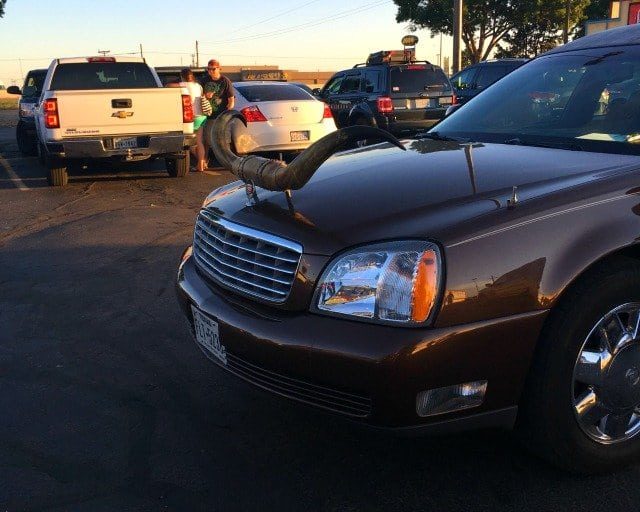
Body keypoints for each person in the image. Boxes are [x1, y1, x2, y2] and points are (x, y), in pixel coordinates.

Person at [168, 68, 207, 172]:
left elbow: (169, 86)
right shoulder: (198, 86)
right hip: (202, 116)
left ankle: (201, 162)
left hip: (190, 117)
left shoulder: (182, 85)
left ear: (182, 76)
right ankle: (202, 164)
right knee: (199, 141)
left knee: (188, 142)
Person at [200, 59, 235, 163]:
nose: (210, 71)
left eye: (213, 69)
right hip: (207, 115)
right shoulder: (204, 80)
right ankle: (205, 160)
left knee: (223, 139)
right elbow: (199, 96)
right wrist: (206, 95)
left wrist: (228, 112)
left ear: (219, 69)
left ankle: (228, 160)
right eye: (208, 69)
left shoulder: (225, 81)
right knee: (206, 139)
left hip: (220, 115)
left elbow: (231, 99)